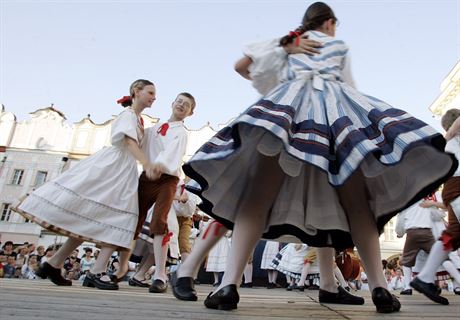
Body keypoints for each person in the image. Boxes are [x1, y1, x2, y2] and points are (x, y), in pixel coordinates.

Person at [183, 2, 456, 313]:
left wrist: (284, 52)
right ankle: (380, 287)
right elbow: (350, 86)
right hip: (337, 114)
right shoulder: (338, 44)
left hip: (288, 113)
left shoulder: (288, 42)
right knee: (357, 204)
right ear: (329, 23)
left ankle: (229, 284)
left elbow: (242, 66)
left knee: (257, 197)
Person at [13, 79, 161, 290]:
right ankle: (96, 271)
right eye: (150, 92)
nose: (154, 97)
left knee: (93, 218)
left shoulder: (137, 119)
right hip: (114, 167)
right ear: (137, 91)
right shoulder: (127, 115)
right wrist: (146, 163)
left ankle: (53, 263)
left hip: (122, 168)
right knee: (119, 217)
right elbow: (128, 142)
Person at [134, 92, 195, 293]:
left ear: (190, 113)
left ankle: (160, 275)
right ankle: (122, 268)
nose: (181, 105)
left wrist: (156, 166)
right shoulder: (154, 129)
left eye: (186, 105)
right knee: (135, 217)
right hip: (147, 175)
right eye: (179, 101)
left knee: (161, 221)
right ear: (172, 103)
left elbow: (172, 155)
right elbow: (140, 142)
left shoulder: (181, 132)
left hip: (166, 178)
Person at [411, 109, 460, 304]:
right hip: (457, 187)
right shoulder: (452, 140)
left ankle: (424, 278)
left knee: (453, 235)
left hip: (453, 190)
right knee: (452, 236)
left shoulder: (450, 144)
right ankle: (424, 277)